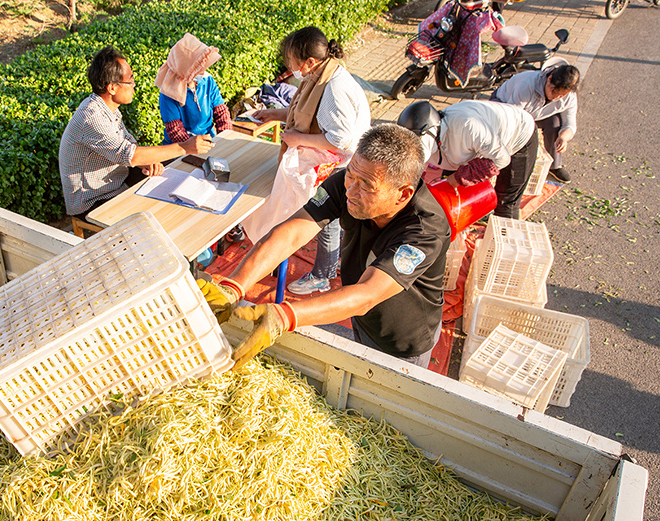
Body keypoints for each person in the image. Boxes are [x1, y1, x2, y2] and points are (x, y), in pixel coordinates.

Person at [199, 124, 451, 370]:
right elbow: (293, 231)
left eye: (366, 186)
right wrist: (234, 286)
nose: (351, 190)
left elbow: (367, 294)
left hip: (401, 339)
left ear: (403, 195)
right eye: (351, 174)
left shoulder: (425, 230)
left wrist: (284, 316)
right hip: (358, 315)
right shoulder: (349, 182)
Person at [248, 27, 371, 296]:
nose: (290, 67)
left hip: (343, 163)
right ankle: (330, 264)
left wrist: (297, 140)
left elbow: (341, 140)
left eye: (292, 62)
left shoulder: (332, 90)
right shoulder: (324, 75)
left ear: (309, 62)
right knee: (330, 215)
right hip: (342, 159)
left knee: (322, 214)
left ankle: (322, 276)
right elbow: (304, 113)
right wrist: (275, 114)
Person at [58, 45, 213, 218]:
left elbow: (129, 148)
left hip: (117, 180)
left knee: (174, 183)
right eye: (129, 80)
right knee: (163, 212)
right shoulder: (92, 117)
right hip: (93, 200)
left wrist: (145, 162)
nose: (134, 85)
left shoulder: (108, 108)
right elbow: (129, 155)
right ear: (112, 88)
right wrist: (185, 147)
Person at [398, 99, 535, 220]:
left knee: (506, 203)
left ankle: (505, 239)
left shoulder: (468, 127)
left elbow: (501, 159)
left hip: (519, 133)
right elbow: (417, 172)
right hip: (477, 147)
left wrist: (457, 179)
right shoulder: (427, 138)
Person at [491, 63, 580, 184]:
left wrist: (564, 137)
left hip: (537, 113)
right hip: (506, 107)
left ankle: (554, 166)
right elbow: (513, 119)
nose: (556, 97)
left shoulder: (570, 97)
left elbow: (569, 123)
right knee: (508, 135)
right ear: (549, 79)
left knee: (555, 123)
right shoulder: (527, 84)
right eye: (554, 91)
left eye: (562, 95)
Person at [155, 33, 233, 145]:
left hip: (208, 141)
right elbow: (175, 129)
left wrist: (225, 140)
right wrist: (194, 148)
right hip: (180, 147)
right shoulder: (168, 92)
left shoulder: (208, 81)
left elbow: (221, 112)